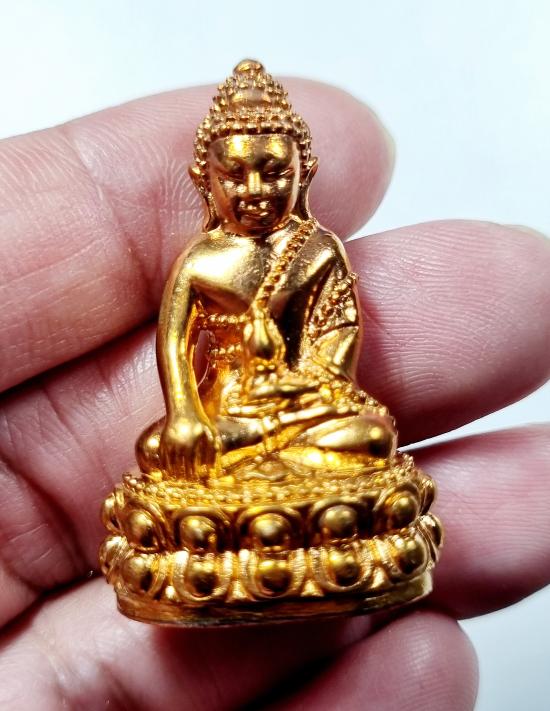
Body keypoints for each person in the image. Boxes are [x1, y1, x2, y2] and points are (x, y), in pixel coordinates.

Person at [0, 66, 548, 710]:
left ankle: (258, 495)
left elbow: (338, 336)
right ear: (206, 180)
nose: (256, 190)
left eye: (273, 173)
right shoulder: (204, 260)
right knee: (159, 451)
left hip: (304, 408)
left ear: (302, 174)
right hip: (227, 416)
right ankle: (272, 501)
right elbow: (175, 347)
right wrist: (186, 416)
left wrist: (303, 388)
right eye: (236, 175)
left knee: (369, 437)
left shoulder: (317, 250)